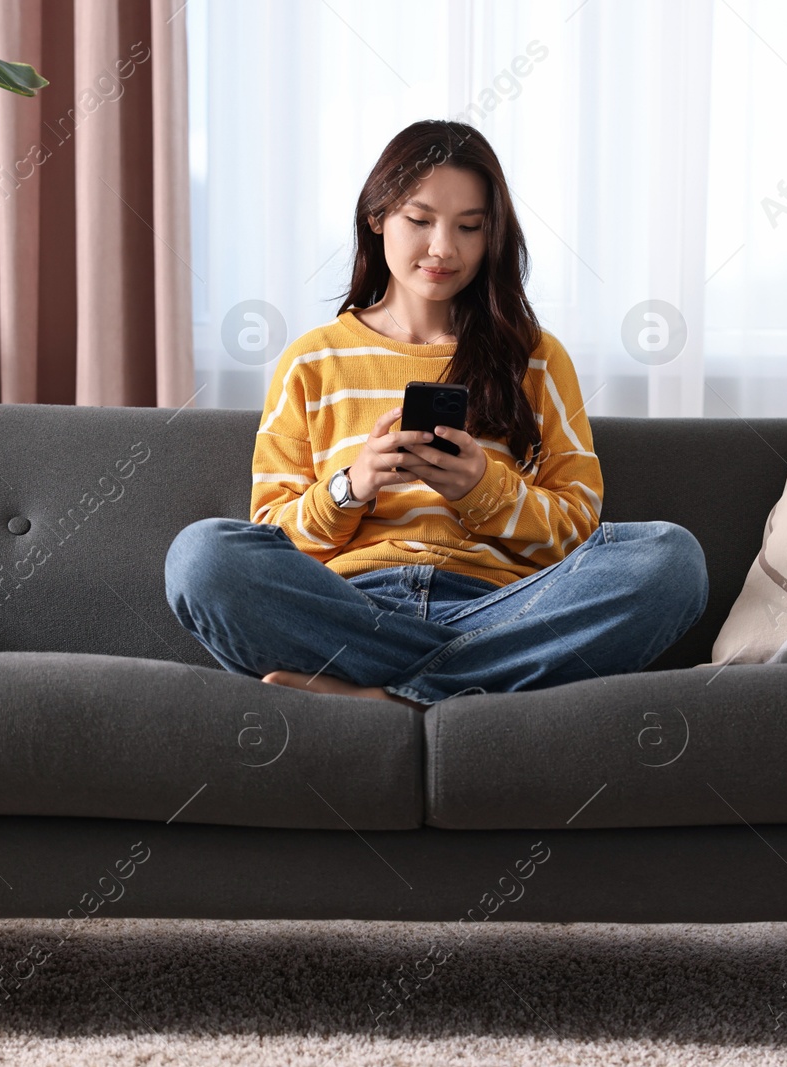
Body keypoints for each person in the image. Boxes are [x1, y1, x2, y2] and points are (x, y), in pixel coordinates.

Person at [165, 119, 708, 708]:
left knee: (671, 560)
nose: (444, 248)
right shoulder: (313, 360)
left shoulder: (538, 358)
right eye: (419, 221)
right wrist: (352, 487)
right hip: (351, 610)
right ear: (376, 218)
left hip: (501, 608)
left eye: (469, 227)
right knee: (201, 556)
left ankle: (386, 697)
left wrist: (483, 488)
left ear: (492, 236)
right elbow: (271, 532)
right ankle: (467, 687)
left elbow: (577, 531)